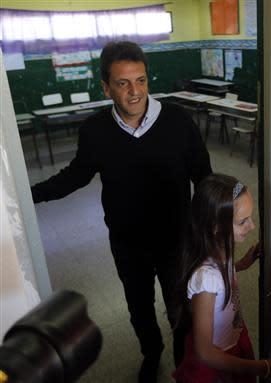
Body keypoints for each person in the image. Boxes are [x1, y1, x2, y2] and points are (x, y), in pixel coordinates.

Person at [31, 41, 212, 382]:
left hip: (177, 240)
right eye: (123, 83)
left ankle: (182, 366)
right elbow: (76, 175)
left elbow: (204, 176)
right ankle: (151, 353)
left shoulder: (176, 121)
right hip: (128, 244)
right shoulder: (95, 131)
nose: (135, 92)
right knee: (139, 310)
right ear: (106, 87)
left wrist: (215, 227)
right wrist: (29, 197)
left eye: (141, 80)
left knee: (181, 310)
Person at [172, 173, 271, 382]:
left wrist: (243, 263)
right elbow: (204, 351)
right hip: (217, 361)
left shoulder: (223, 247)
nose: (251, 226)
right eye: (243, 221)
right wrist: (260, 367)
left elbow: (226, 272)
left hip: (234, 338)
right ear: (216, 227)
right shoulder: (205, 281)